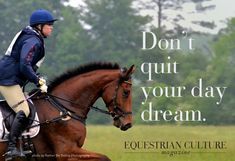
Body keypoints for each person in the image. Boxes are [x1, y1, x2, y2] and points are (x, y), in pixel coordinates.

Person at [0, 9, 57, 158]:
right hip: (8, 80)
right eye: (49, 25)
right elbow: (25, 65)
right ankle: (11, 148)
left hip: (10, 78)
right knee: (24, 110)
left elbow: (26, 65)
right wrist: (37, 81)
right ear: (39, 26)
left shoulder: (31, 36)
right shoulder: (33, 40)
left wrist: (38, 78)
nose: (52, 27)